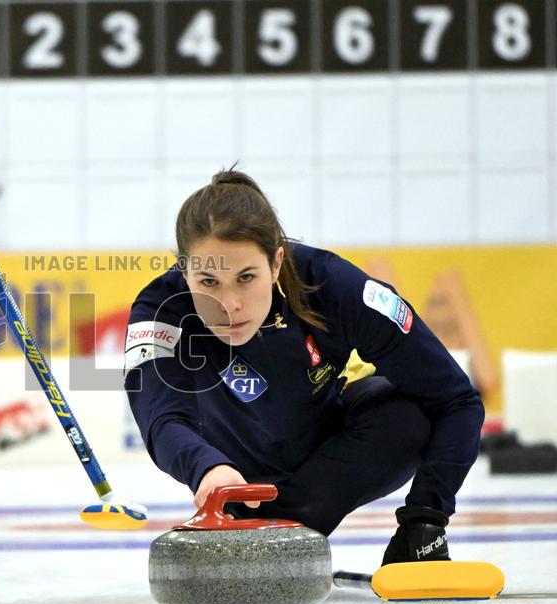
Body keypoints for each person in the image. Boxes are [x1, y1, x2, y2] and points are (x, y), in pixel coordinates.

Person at [125, 168, 484, 565]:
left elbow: (457, 399)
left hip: (326, 459)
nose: (229, 305)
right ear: (184, 269)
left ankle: (276, 533)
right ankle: (260, 529)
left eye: (246, 278)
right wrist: (206, 470)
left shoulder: (336, 288)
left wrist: (425, 518)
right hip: (233, 478)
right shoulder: (160, 310)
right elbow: (161, 419)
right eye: (208, 282)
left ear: (277, 262)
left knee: (407, 414)